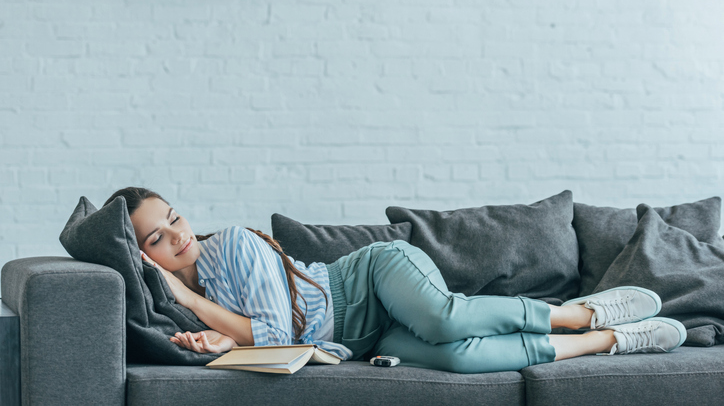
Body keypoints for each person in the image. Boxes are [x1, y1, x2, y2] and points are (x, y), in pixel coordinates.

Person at [104, 187, 687, 374]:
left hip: (371, 278)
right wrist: (223, 339)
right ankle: (607, 341)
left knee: (445, 318)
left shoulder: (229, 242)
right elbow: (262, 343)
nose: (177, 234)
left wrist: (186, 298)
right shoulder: (192, 300)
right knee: (458, 359)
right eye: (156, 238)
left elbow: (276, 331)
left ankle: (582, 312)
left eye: (173, 217)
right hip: (362, 339)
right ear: (144, 255)